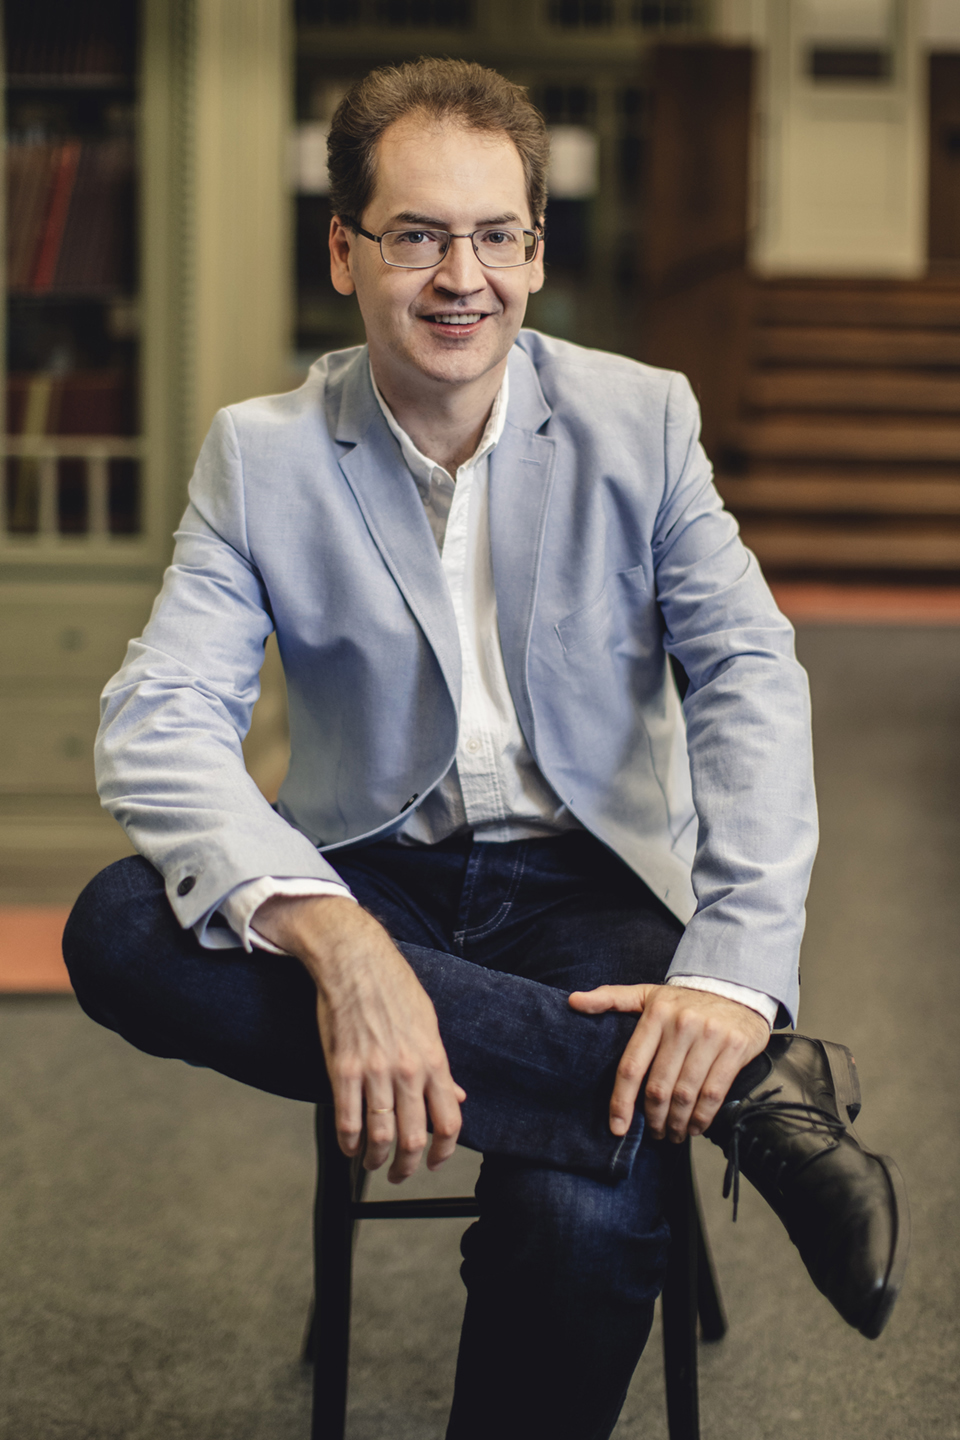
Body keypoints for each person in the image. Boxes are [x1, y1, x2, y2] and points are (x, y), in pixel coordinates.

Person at [63, 58, 906, 1440]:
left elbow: (748, 674)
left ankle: (664, 1068)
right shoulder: (261, 455)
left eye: (496, 235)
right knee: (117, 927)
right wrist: (349, 951)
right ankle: (749, 1101)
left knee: (580, 1214)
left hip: (593, 883)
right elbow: (159, 717)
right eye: (416, 235)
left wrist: (733, 973)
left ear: (536, 250)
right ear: (344, 252)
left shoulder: (643, 421)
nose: (463, 278)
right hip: (373, 869)